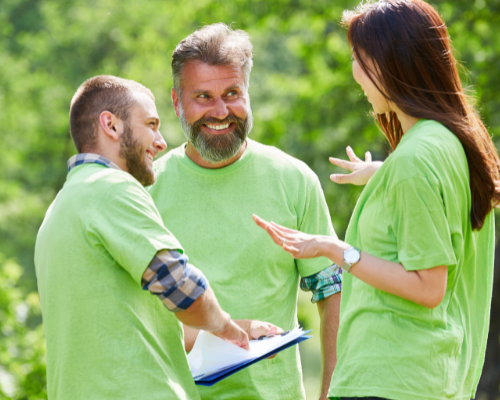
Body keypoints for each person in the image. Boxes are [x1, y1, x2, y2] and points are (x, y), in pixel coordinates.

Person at [253, 1, 500, 399]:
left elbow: (427, 286)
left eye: (358, 58)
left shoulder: (415, 160)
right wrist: (384, 174)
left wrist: (334, 249)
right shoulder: (449, 142)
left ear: (390, 62)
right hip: (421, 376)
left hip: (390, 378)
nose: (355, 74)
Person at [34, 75, 279, 400]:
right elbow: (178, 283)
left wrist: (240, 331)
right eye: (150, 124)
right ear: (111, 125)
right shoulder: (112, 188)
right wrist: (225, 326)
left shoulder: (61, 208)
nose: (161, 141)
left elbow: (140, 329)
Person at [148, 23, 342, 400]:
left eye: (232, 93)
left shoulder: (294, 179)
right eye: (202, 96)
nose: (220, 110)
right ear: (176, 102)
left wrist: (329, 393)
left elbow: (331, 293)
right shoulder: (146, 189)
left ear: (247, 92)